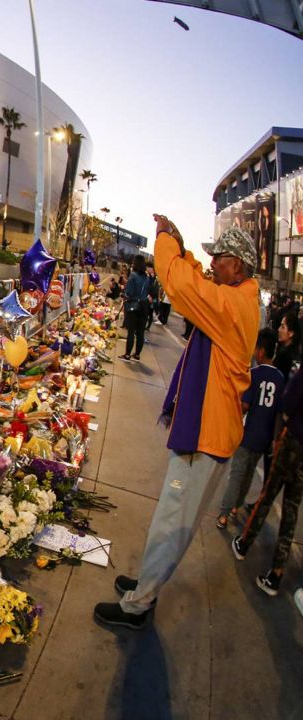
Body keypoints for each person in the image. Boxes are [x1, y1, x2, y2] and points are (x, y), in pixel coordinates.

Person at [94, 219, 259, 630]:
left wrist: (167, 241)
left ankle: (138, 605)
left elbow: (183, 288)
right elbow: (196, 284)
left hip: (206, 438)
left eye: (217, 259)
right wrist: (184, 250)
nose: (211, 265)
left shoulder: (234, 305)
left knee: (172, 524)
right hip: (205, 431)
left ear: (236, 266)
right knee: (169, 517)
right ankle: (146, 583)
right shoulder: (235, 299)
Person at [232, 367, 303, 596]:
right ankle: (276, 573)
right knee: (291, 509)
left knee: (268, 494)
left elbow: (289, 401)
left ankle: (244, 544)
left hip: (293, 441)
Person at [216, 329, 283, 529]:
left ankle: (224, 514)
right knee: (249, 473)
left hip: (247, 434)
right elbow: (279, 412)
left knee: (236, 473)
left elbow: (245, 406)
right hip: (264, 438)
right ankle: (237, 506)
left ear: (261, 351)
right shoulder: (280, 378)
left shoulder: (253, 374)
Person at [120, 255, 150, 362]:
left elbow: (129, 292)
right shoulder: (146, 277)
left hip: (134, 307)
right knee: (140, 332)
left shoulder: (133, 276)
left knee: (131, 332)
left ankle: (127, 354)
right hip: (144, 306)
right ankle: (137, 355)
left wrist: (124, 294)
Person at [274, 312, 299, 384]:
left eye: (282, 327)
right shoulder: (297, 353)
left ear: (291, 333)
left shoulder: (284, 355)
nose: (279, 329)